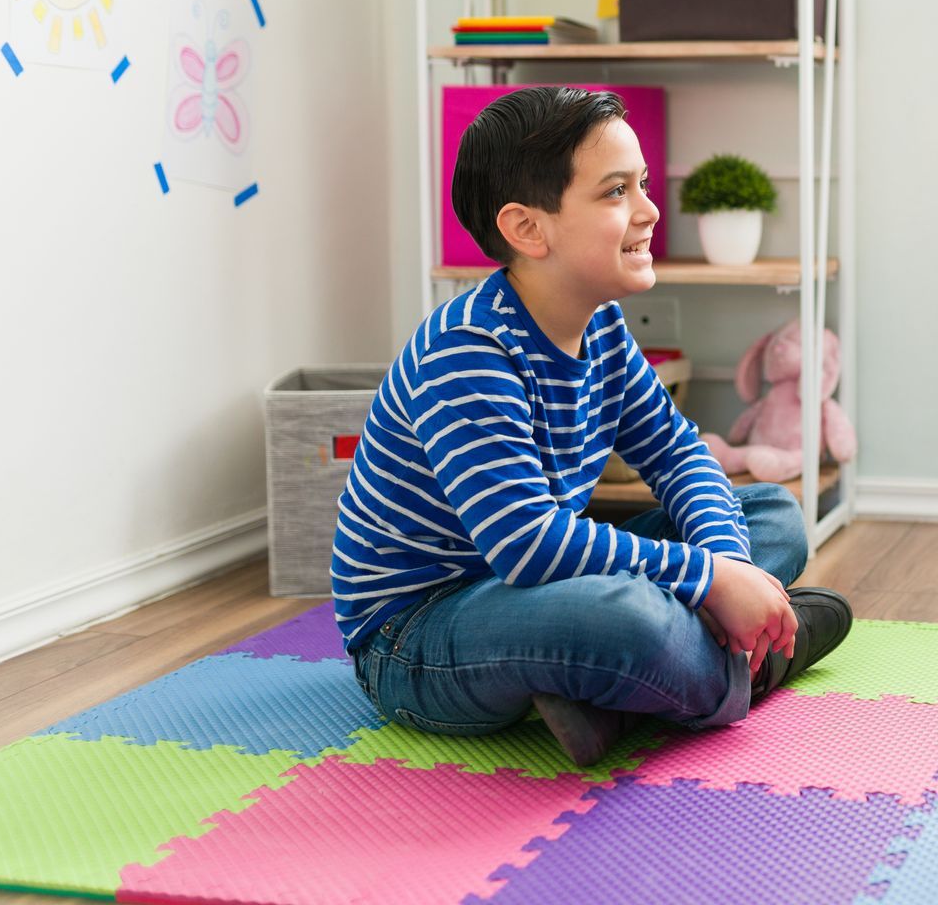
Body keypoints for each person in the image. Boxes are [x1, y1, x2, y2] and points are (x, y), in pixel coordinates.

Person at [332, 86, 850, 765]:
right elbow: (526, 545)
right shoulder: (470, 349)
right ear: (527, 230)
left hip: (535, 586)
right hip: (420, 633)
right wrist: (714, 585)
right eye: (615, 192)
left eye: (641, 185)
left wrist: (722, 562)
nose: (649, 209)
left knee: (771, 513)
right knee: (627, 622)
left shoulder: (600, 323)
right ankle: (745, 666)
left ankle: (614, 690)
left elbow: (677, 454)